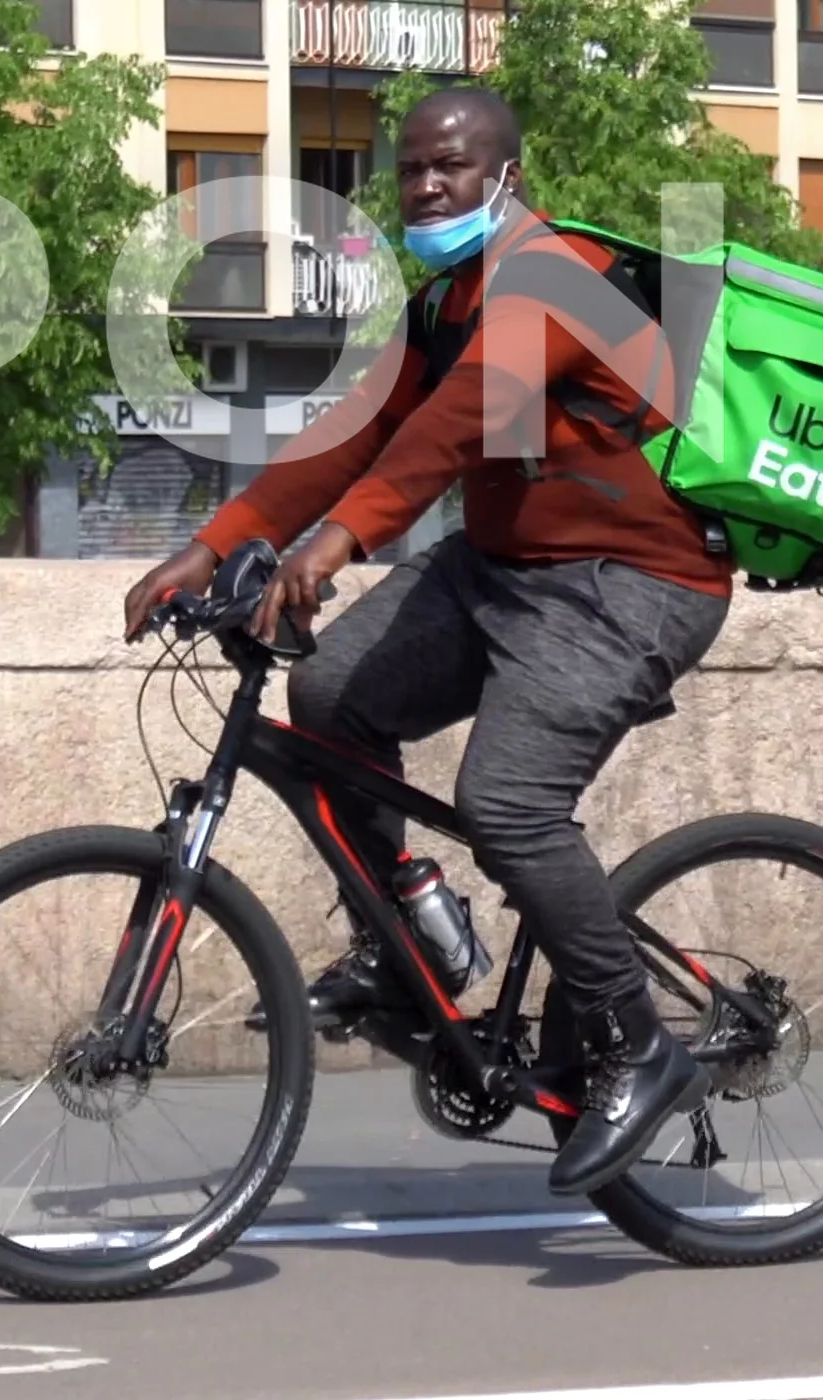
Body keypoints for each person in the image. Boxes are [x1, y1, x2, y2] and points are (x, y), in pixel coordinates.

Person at [121, 85, 729, 1197]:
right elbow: (355, 432)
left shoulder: (555, 278)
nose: (427, 187)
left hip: (632, 584)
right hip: (504, 569)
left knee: (508, 803)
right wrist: (212, 546)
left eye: (450, 166)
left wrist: (333, 545)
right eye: (410, 170)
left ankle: (640, 1044)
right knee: (333, 696)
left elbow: (447, 434)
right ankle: (412, 943)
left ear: (507, 176)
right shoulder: (447, 299)